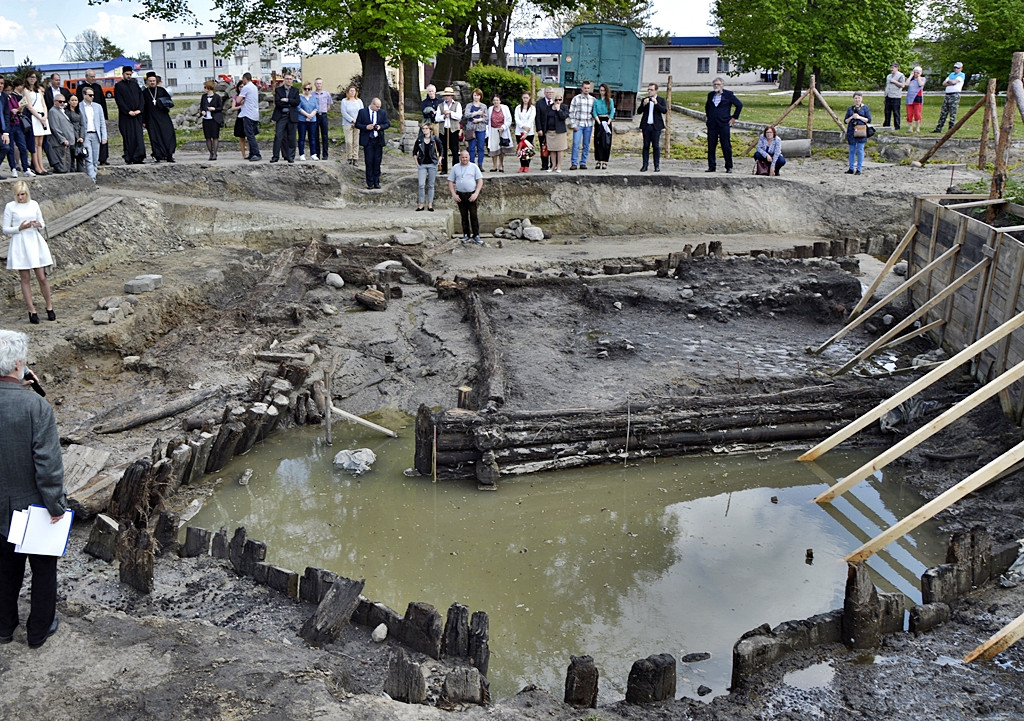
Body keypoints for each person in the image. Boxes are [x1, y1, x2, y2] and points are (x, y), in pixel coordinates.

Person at [0, 328, 67, 650]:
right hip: (32, 507)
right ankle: (39, 630)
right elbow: (48, 466)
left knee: (4, 570)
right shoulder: (36, 408)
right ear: (19, 365)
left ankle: (3, 627)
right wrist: (56, 506)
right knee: (43, 570)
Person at [3, 182, 55, 324]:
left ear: (27, 193)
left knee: (42, 277)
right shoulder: (10, 206)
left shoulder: (34, 204)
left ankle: (49, 306)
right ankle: (32, 310)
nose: (20, 197)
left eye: (23, 194)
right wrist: (18, 228)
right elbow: (5, 228)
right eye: (18, 195)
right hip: (20, 242)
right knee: (25, 278)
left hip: (34, 240)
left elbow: (42, 223)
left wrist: (38, 224)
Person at [705, 77, 742, 173]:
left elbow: (739, 105)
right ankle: (711, 166)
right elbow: (707, 107)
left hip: (724, 123)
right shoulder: (711, 95)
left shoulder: (728, 94)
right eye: (715, 84)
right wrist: (709, 118)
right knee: (711, 145)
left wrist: (734, 118)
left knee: (725, 145)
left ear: (722, 85)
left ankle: (729, 166)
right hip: (712, 124)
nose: (716, 86)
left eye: (718, 84)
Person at [448, 149, 483, 244]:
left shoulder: (474, 167)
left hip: (471, 194)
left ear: (469, 157)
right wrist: (453, 194)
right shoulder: (455, 167)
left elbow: (480, 180)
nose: (464, 159)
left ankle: (476, 235)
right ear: (460, 158)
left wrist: (476, 193)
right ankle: (466, 235)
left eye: (466, 157)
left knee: (473, 215)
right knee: (464, 216)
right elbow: (450, 181)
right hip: (460, 194)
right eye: (462, 157)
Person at [75, 69, 109, 165]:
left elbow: (103, 101)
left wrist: (105, 117)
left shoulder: (97, 86)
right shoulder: (81, 87)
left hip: (98, 114)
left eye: (94, 76)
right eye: (91, 76)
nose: (93, 78)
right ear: (86, 76)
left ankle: (103, 158)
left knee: (101, 136)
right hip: (86, 116)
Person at [141, 72, 176, 163]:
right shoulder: (144, 92)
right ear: (147, 82)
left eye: (154, 81)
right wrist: (143, 121)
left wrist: (163, 104)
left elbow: (169, 102)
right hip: (151, 118)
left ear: (156, 81)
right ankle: (157, 155)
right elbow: (143, 107)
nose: (152, 82)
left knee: (167, 135)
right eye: (150, 81)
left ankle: (169, 155)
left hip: (163, 116)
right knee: (154, 137)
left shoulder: (161, 90)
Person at [114, 66, 146, 164]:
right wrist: (128, 111)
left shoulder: (135, 84)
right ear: (123, 74)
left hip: (137, 116)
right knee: (129, 137)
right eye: (127, 74)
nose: (129, 76)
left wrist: (139, 110)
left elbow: (141, 98)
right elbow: (119, 101)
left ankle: (139, 157)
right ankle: (129, 157)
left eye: (130, 74)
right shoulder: (119, 86)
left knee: (138, 137)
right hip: (126, 117)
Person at [356, 97, 389, 189]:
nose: (379, 108)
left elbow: (387, 123)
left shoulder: (382, 113)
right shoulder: (362, 112)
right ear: (372, 104)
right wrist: (366, 127)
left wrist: (380, 127)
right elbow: (357, 124)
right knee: (369, 161)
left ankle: (377, 182)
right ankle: (370, 183)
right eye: (377, 106)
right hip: (368, 140)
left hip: (378, 140)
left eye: (379, 107)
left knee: (377, 162)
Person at [22, 73, 50, 176]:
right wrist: (39, 117)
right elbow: (29, 106)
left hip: (42, 117)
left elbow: (43, 104)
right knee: (34, 143)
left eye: (34, 77)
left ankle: (42, 166)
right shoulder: (26, 90)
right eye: (30, 77)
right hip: (34, 117)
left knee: (40, 144)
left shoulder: (38, 90)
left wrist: (45, 116)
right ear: (27, 78)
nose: (32, 79)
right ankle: (37, 167)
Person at [3, 78, 31, 178]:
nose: (8, 92)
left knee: (23, 147)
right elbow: (7, 111)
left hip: (17, 123)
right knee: (10, 148)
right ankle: (13, 168)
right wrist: (14, 110)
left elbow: (17, 108)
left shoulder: (13, 97)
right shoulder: (4, 99)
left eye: (9, 90)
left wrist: (19, 109)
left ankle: (26, 168)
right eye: (7, 90)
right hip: (9, 125)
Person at [79, 85, 107, 181]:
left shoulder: (98, 107)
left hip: (96, 134)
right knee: (89, 157)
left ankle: (93, 176)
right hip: (86, 135)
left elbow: (102, 122)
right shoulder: (79, 106)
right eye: (90, 95)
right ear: (84, 95)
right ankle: (92, 179)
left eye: (93, 95)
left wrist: (104, 136)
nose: (92, 97)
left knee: (95, 158)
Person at [413, 121, 442, 211]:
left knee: (431, 185)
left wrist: (439, 159)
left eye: (426, 128)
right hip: (422, 164)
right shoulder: (419, 139)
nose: (424, 130)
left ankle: (430, 204)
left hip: (432, 164)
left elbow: (441, 150)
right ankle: (421, 204)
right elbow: (414, 152)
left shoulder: (435, 139)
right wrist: (416, 162)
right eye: (423, 128)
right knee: (421, 184)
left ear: (430, 129)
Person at [271, 73, 300, 163]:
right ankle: (275, 156)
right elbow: (278, 103)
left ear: (292, 81)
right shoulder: (279, 90)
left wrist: (287, 100)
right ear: (284, 80)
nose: (289, 81)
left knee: (292, 137)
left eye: (290, 79)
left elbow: (297, 102)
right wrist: (290, 102)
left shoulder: (295, 90)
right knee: (278, 136)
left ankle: (291, 156)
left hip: (292, 116)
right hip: (281, 116)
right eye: (287, 79)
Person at [638, 83, 666, 172]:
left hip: (656, 126)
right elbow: (638, 111)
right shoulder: (645, 99)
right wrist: (643, 105)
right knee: (646, 146)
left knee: (656, 146)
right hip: (646, 126)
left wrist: (656, 104)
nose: (649, 91)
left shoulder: (660, 100)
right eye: (648, 89)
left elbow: (664, 110)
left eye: (651, 90)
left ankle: (656, 166)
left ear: (656, 90)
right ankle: (645, 165)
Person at [539, 93, 569, 173]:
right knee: (552, 149)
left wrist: (559, 109)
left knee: (559, 149)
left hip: (559, 132)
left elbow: (563, 117)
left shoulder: (564, 107)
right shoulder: (549, 107)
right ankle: (553, 166)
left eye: (560, 99)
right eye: (556, 99)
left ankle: (559, 166)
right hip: (550, 131)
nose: (558, 101)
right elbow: (545, 118)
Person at [44, 94, 74, 174]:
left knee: (67, 164)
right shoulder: (53, 111)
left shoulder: (61, 111)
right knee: (63, 166)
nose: (62, 103)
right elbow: (55, 127)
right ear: (55, 101)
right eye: (60, 101)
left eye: (63, 102)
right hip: (59, 142)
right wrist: (63, 139)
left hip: (65, 142)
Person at [568, 80, 595, 170]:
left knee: (586, 144)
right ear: (582, 88)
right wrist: (573, 124)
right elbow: (571, 112)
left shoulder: (593, 99)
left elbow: (594, 112)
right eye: (585, 88)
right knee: (576, 144)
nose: (586, 90)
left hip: (589, 124)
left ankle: (583, 162)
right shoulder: (576, 98)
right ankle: (574, 163)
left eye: (588, 88)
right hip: (578, 124)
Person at [235, 73, 261, 161]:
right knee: (251, 134)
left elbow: (238, 100)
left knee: (249, 135)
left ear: (245, 78)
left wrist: (242, 99)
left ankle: (256, 153)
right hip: (254, 113)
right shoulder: (254, 87)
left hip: (248, 114)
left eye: (243, 79)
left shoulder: (246, 87)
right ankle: (251, 153)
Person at [844, 92, 872, 175]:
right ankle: (851, 168)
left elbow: (869, 119)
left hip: (861, 130)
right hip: (851, 131)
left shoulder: (865, 108)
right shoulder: (850, 109)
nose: (857, 100)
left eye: (859, 98)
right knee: (852, 150)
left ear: (861, 99)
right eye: (856, 98)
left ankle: (859, 168)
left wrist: (859, 117)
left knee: (860, 150)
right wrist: (852, 117)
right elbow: (845, 121)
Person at [933, 61, 965, 133]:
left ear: (961, 69)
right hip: (947, 94)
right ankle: (939, 128)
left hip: (955, 94)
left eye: (957, 68)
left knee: (952, 112)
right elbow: (944, 83)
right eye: (955, 67)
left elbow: (954, 82)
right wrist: (951, 82)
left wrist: (950, 82)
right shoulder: (951, 74)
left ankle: (951, 129)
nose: (956, 69)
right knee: (943, 112)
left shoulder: (961, 75)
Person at [436, 87, 462, 174]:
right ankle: (444, 169)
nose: (447, 97)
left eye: (448, 95)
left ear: (452, 96)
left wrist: (450, 113)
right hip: (443, 130)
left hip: (453, 130)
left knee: (454, 150)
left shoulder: (457, 104)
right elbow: (437, 118)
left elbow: (459, 116)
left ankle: (455, 169)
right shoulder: (440, 106)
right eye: (445, 95)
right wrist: (443, 116)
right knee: (443, 150)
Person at [485, 94, 512, 172]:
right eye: (494, 100)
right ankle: (494, 166)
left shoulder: (505, 108)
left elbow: (509, 119)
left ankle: (501, 165)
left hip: (502, 130)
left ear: (500, 101)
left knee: (501, 149)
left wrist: (503, 127)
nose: (496, 102)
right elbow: (488, 120)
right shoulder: (490, 109)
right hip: (493, 130)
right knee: (493, 148)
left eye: (497, 100)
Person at [199, 80, 224, 160]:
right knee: (208, 137)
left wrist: (214, 109)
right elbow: (201, 106)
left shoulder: (217, 97)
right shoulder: (203, 97)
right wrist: (202, 111)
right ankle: (211, 153)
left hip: (214, 119)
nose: (204, 89)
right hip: (206, 119)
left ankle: (215, 153)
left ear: (209, 88)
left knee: (215, 137)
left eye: (205, 87)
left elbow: (220, 108)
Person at [592, 82, 615, 170]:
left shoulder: (610, 101)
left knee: (606, 142)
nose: (602, 92)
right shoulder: (596, 101)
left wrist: (608, 122)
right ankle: (598, 160)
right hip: (599, 120)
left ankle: (605, 161)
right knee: (598, 141)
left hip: (607, 120)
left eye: (604, 90)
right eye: (601, 90)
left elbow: (612, 111)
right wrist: (598, 122)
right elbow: (594, 112)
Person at [463, 88, 487, 168]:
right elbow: (466, 115)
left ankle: (480, 164)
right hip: (471, 128)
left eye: (478, 95)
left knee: (480, 147)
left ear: (480, 96)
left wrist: (479, 119)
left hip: (481, 128)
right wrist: (476, 113)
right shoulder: (469, 105)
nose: (476, 97)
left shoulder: (483, 106)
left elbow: (486, 119)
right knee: (471, 147)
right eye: (475, 95)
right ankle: (472, 164)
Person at [340, 85, 363, 166]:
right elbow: (344, 112)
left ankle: (355, 158)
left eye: (354, 91)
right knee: (349, 141)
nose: (352, 92)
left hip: (358, 124)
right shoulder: (344, 101)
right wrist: (352, 120)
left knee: (356, 142)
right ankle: (349, 157)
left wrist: (358, 121)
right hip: (347, 123)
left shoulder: (359, 101)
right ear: (348, 92)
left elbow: (362, 112)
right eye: (351, 91)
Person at [514, 92, 536, 173]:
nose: (525, 99)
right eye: (524, 98)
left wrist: (527, 129)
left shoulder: (532, 108)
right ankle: (522, 165)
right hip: (519, 131)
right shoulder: (518, 108)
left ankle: (527, 165)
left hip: (529, 132)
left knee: (527, 149)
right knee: (520, 149)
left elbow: (531, 119)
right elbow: (516, 119)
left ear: (529, 98)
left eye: (527, 98)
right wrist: (523, 126)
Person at [312, 77, 333, 160]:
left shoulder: (326, 94)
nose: (319, 85)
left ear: (322, 84)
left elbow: (329, 104)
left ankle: (325, 154)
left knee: (324, 135)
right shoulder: (312, 94)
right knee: (315, 135)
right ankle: (317, 154)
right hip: (315, 115)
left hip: (323, 115)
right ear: (315, 85)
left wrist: (325, 111)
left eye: (320, 83)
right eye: (317, 83)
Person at [297, 81, 319, 160]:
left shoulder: (313, 98)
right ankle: (302, 154)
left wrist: (311, 116)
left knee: (312, 138)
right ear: (303, 89)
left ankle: (313, 154)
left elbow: (316, 108)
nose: (307, 90)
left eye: (309, 89)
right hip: (302, 120)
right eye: (305, 89)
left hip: (312, 120)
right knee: (302, 137)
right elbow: (299, 108)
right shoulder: (300, 97)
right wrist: (307, 115)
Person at [535, 86, 555, 171]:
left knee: (552, 148)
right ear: (545, 93)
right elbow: (537, 117)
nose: (550, 94)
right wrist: (539, 129)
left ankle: (553, 164)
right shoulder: (539, 103)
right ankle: (544, 165)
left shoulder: (555, 102)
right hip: (543, 130)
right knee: (543, 147)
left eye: (551, 93)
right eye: (548, 92)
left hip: (552, 130)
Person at [65, 95, 85, 173]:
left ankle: (81, 171)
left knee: (80, 154)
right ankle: (72, 170)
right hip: (71, 135)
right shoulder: (67, 112)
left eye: (76, 100)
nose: (74, 102)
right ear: (69, 101)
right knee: (72, 154)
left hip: (80, 135)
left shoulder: (79, 111)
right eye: (72, 100)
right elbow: (70, 125)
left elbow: (82, 124)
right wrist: (77, 137)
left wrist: (81, 136)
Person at [883, 62, 905, 130]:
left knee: (896, 112)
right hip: (888, 96)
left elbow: (902, 85)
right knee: (887, 112)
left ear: (897, 68)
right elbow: (887, 86)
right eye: (891, 67)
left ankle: (897, 126)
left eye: (893, 68)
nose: (891, 69)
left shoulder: (901, 75)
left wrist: (895, 81)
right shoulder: (888, 76)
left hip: (896, 97)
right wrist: (885, 96)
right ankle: (886, 125)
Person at [905, 66, 926, 134]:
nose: (916, 74)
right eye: (915, 72)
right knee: (909, 114)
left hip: (918, 98)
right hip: (909, 98)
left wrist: (919, 77)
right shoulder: (911, 79)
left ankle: (917, 128)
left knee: (917, 113)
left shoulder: (922, 79)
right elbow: (906, 84)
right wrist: (911, 76)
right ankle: (910, 128)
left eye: (918, 72)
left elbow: (920, 84)